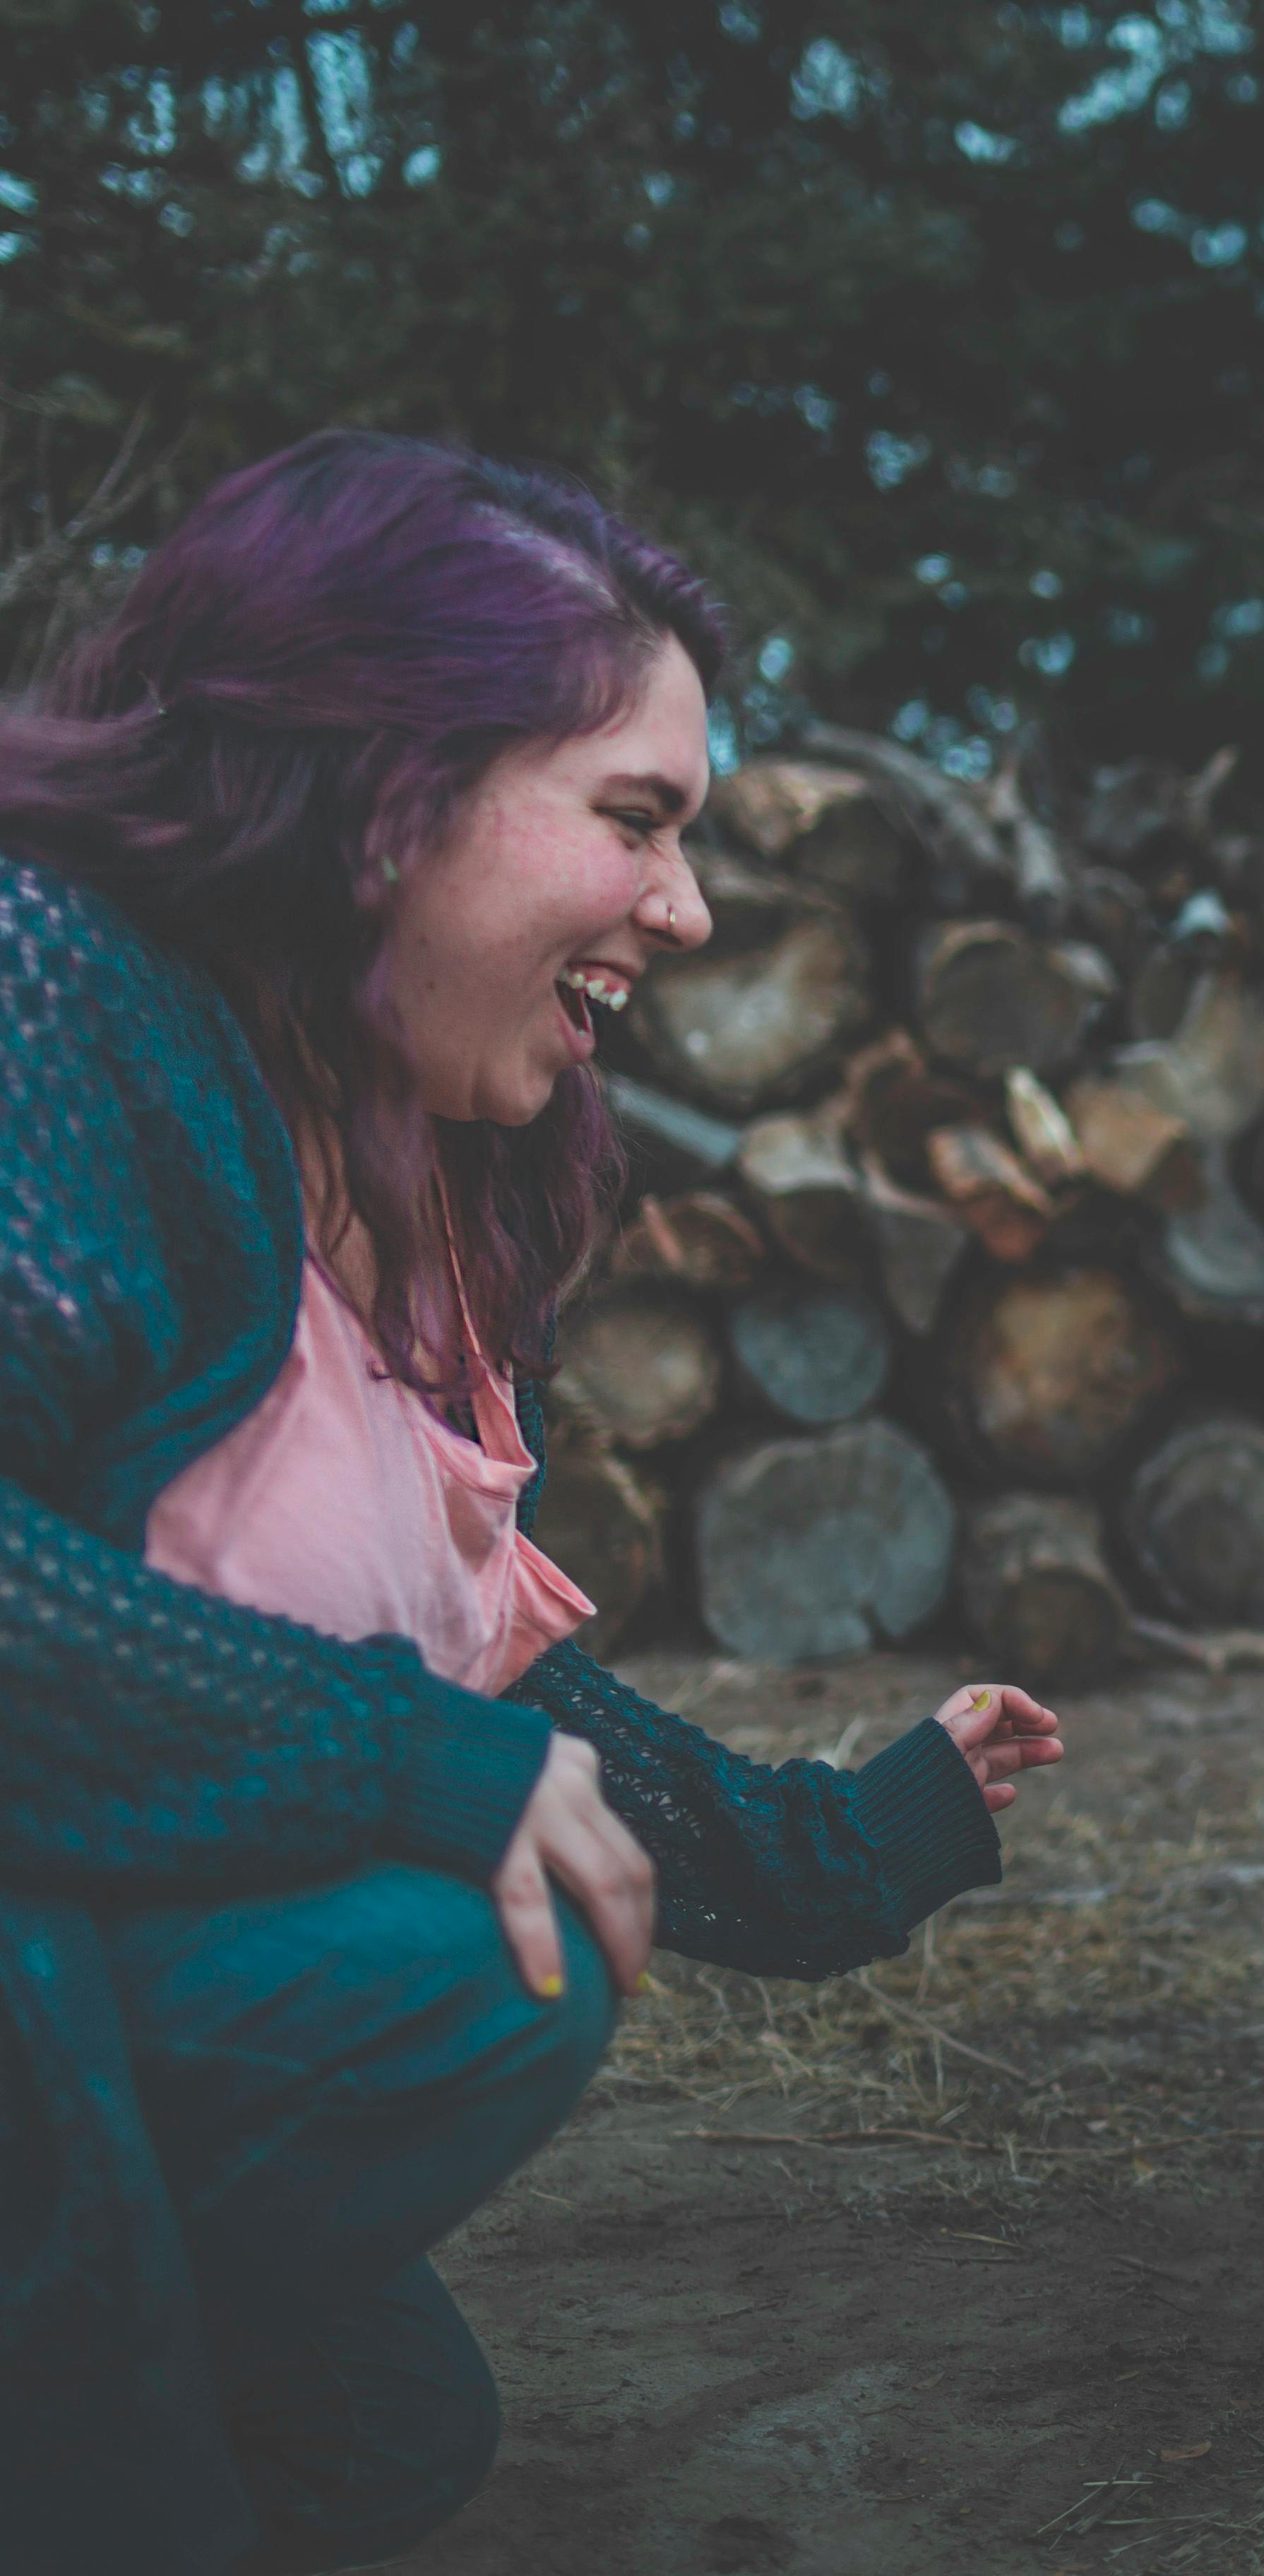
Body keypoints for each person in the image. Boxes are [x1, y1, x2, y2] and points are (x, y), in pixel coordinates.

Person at [0, 430, 1069, 2573]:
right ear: (394, 786)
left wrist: (849, 1845)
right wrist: (412, 1764)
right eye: (636, 820)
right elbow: (429, 1748)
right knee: (463, 1976)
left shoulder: (400, 1183)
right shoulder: (56, 991)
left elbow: (506, 1724)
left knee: (393, 2426)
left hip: (109, 1994)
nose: (685, 908)